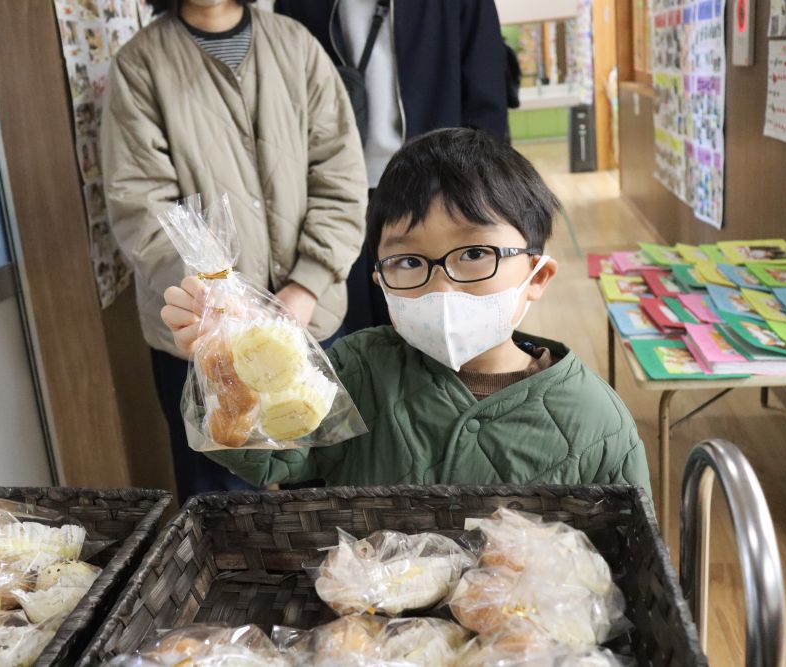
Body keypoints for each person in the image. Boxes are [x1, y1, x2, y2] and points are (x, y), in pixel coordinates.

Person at [160, 128, 652, 495]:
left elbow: (626, 567)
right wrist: (222, 367)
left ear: (537, 276)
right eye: (410, 261)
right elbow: (271, 460)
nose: (442, 283)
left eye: (475, 254)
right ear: (381, 281)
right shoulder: (355, 370)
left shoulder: (597, 424)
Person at [103, 0, 366, 501]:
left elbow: (340, 174)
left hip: (309, 319)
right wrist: (223, 307)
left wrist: (307, 284)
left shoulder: (295, 44)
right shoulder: (140, 64)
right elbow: (141, 206)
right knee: (220, 496)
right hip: (200, 332)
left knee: (326, 481)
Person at [275, 0, 509, 334]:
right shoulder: (298, 5)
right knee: (357, 335)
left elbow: (486, 98)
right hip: (339, 194)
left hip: (438, 186)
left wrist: (479, 195)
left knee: (437, 328)